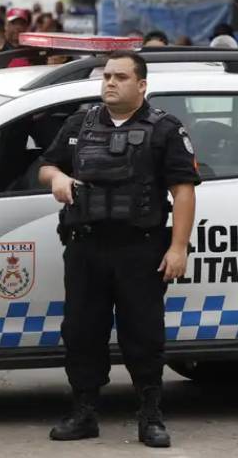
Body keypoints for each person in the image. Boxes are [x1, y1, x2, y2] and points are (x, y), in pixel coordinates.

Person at [38, 51, 199, 449]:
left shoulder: (164, 129)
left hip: (139, 250)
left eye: (121, 77)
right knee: (81, 332)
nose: (110, 82)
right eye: (107, 76)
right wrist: (57, 176)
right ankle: (84, 412)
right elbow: (44, 166)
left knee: (143, 335)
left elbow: (183, 191)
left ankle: (150, 415)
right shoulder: (80, 122)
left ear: (141, 85)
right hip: (86, 246)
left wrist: (178, 248)